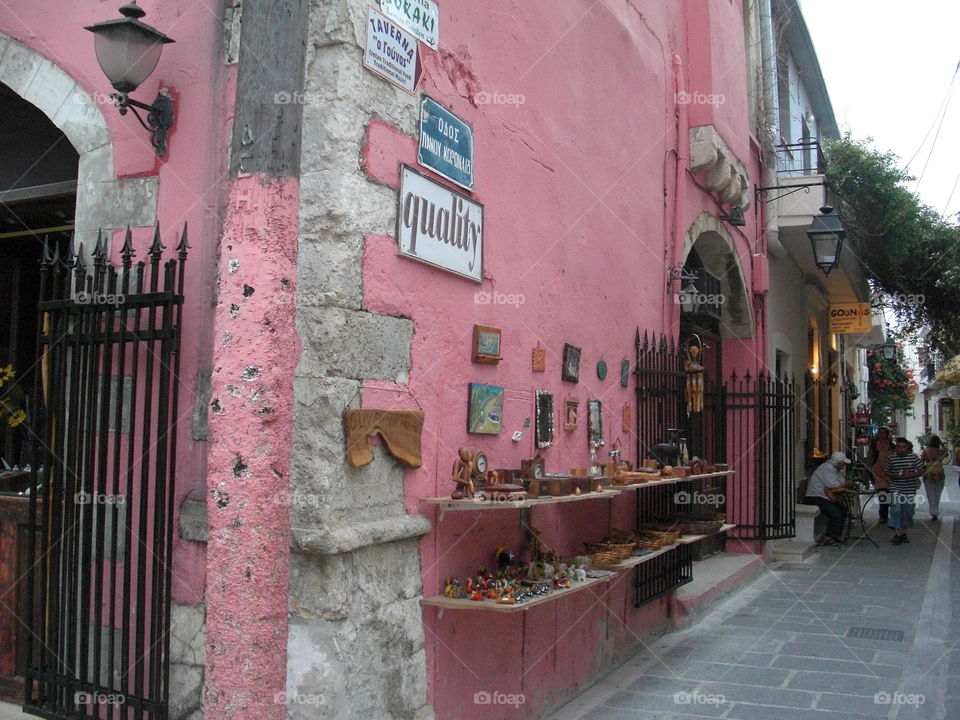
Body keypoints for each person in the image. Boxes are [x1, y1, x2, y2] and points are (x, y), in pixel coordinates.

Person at [803, 451, 852, 547]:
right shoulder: (827, 468)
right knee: (836, 513)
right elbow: (833, 485)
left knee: (843, 510)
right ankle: (829, 537)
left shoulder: (836, 470)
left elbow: (840, 482)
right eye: (843, 463)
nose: (844, 466)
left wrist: (843, 484)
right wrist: (845, 484)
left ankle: (834, 536)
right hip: (815, 497)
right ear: (838, 463)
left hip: (823, 497)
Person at [883, 437, 926, 544]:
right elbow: (885, 472)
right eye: (898, 447)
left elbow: (923, 470)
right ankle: (898, 534)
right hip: (895, 487)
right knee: (896, 509)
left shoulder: (913, 458)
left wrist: (912, 474)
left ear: (907, 447)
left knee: (907, 511)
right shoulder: (891, 458)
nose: (901, 449)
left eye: (903, 447)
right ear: (896, 448)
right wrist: (894, 475)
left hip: (910, 489)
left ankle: (903, 533)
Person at [867, 426, 894, 523]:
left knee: (889, 493)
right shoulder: (874, 445)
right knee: (882, 492)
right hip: (877, 471)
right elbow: (869, 456)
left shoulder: (891, 445)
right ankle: (883, 515)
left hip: (889, 472)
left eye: (883, 433)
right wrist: (867, 468)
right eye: (879, 433)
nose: (881, 435)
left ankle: (890, 513)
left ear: (887, 434)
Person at [921, 435, 949, 521]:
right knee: (937, 493)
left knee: (930, 494)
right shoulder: (941, 451)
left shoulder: (926, 451)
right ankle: (935, 510)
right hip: (940, 474)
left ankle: (933, 511)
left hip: (929, 474)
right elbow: (947, 454)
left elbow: (921, 461)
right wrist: (943, 445)